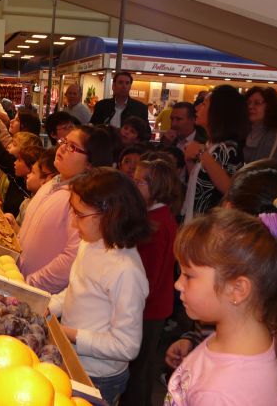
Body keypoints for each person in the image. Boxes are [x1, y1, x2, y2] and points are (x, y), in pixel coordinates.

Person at [165, 208, 277, 406]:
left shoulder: (218, 394)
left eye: (188, 275)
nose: (178, 284)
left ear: (237, 290)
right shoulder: (251, 337)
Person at [48, 167, 150, 405]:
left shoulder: (126, 271)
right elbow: (77, 288)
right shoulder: (91, 242)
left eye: (80, 215)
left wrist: (71, 335)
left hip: (99, 376)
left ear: (110, 215)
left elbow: (127, 346)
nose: (74, 222)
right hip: (72, 356)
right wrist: (49, 306)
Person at [17, 126, 114, 293]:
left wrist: (31, 283)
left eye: (72, 147)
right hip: (18, 277)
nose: (61, 148)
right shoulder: (54, 181)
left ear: (90, 164)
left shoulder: (85, 201)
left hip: (38, 293)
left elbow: (72, 257)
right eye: (64, 142)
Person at [121, 159, 180, 406]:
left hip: (149, 309)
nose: (134, 185)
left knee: (138, 370)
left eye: (139, 181)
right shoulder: (155, 216)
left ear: (156, 186)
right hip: (149, 305)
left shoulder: (158, 224)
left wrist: (131, 305)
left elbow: (151, 277)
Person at [182, 85, 249, 221]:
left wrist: (201, 154)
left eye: (204, 104)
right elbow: (202, 184)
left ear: (217, 112)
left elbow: (230, 189)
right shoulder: (210, 145)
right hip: (198, 221)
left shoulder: (229, 149)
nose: (197, 108)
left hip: (212, 226)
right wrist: (190, 161)